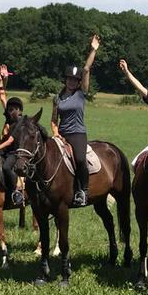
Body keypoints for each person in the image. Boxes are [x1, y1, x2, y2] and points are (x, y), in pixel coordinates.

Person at [51, 34, 99, 207]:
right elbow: (54, 119)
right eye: (69, 79)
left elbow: (86, 69)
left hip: (78, 134)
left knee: (79, 159)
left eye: (75, 79)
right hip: (62, 134)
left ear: (78, 82)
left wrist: (93, 50)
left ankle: (83, 191)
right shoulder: (57, 97)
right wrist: (56, 134)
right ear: (65, 79)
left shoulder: (80, 94)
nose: (72, 81)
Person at [0, 96, 27, 206]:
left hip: (16, 152)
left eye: (11, 110)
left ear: (18, 110)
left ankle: (16, 191)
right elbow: (3, 139)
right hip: (6, 151)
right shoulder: (9, 122)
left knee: (6, 167)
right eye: (8, 110)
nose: (9, 112)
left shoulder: (20, 122)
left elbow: (10, 141)